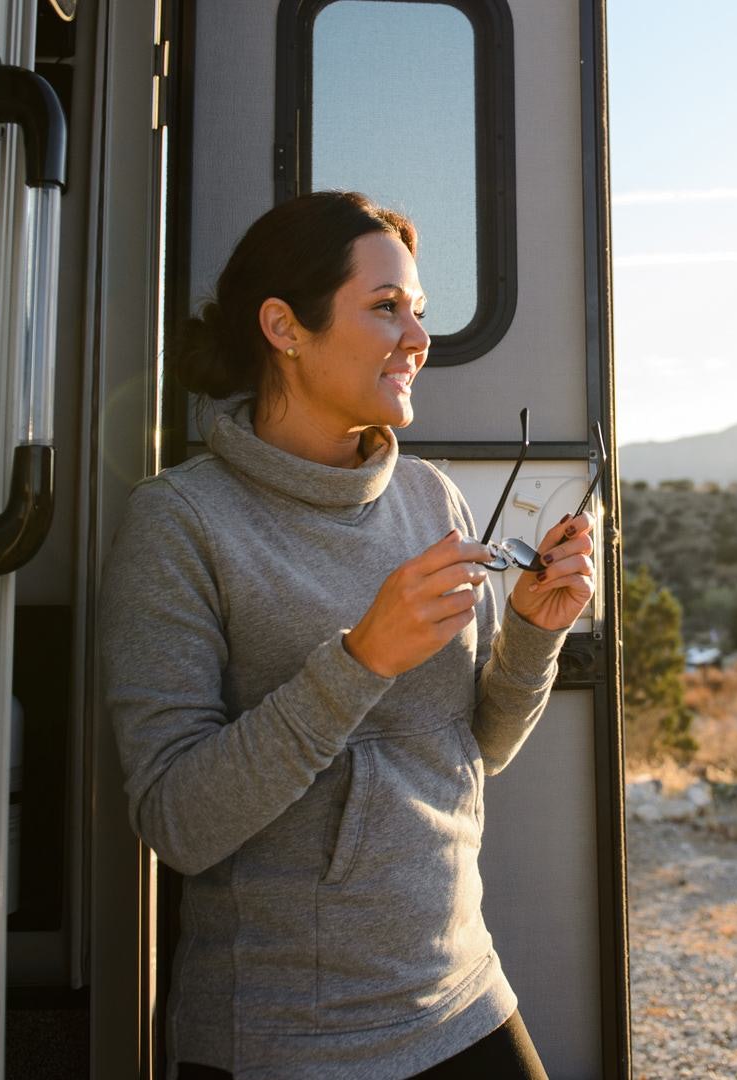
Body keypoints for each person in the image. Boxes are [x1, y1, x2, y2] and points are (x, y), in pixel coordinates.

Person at [98, 191, 594, 1079]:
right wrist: (360, 659)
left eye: (421, 311)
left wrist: (529, 635)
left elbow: (472, 753)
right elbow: (176, 820)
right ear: (285, 327)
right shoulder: (180, 523)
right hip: (291, 1043)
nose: (418, 337)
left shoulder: (428, 498)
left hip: (464, 995)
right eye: (385, 307)